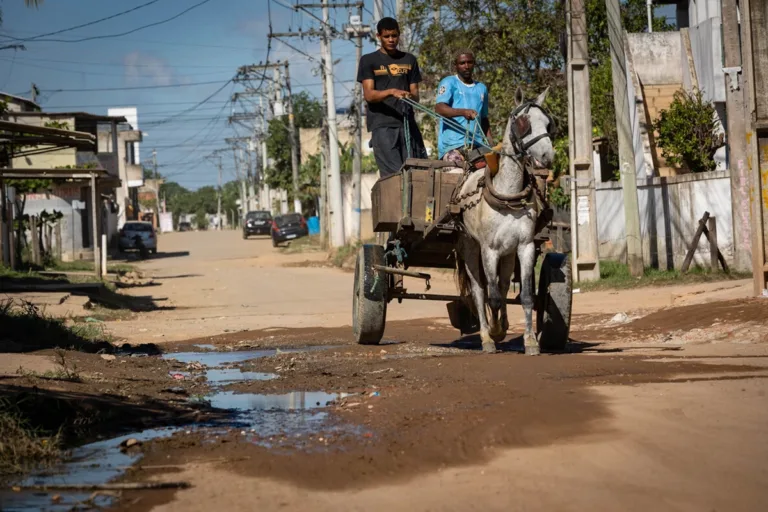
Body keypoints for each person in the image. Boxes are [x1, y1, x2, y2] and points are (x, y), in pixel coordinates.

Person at [357, 17, 427, 178]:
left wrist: (409, 96)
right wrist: (391, 92)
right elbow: (369, 94)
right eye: (386, 36)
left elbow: (415, 95)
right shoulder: (368, 60)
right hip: (383, 126)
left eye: (394, 36)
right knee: (394, 177)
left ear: (399, 35)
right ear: (378, 36)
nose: (391, 40)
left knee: (418, 172)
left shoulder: (409, 60)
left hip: (408, 125)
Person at [434, 50, 493, 166]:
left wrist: (491, 144)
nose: (466, 66)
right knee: (456, 177)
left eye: (469, 62)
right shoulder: (449, 82)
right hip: (453, 146)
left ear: (474, 64)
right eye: (462, 63)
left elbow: (484, 119)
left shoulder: (482, 88)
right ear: (455, 65)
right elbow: (439, 108)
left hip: (478, 145)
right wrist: (463, 112)